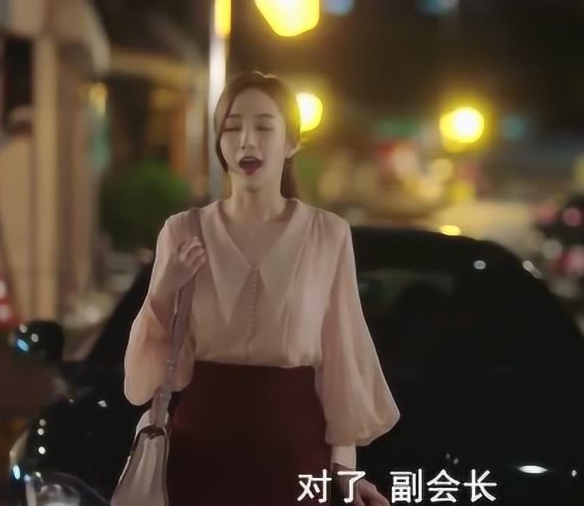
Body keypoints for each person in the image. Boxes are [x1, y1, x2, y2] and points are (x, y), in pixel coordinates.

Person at [123, 71, 400, 505]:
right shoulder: (183, 232)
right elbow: (145, 382)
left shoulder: (327, 235)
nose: (246, 142)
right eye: (232, 128)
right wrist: (163, 289)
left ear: (292, 143)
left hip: (295, 456)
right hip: (200, 455)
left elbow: (342, 358)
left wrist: (344, 472)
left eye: (264, 128)